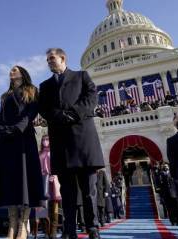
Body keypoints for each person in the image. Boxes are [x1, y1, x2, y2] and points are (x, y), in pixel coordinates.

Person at [39, 48, 105, 239]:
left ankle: (92, 227)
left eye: (52, 58)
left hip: (83, 139)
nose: (49, 62)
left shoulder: (81, 76)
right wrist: (58, 115)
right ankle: (69, 229)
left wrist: (73, 113)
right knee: (67, 192)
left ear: (63, 58)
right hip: (61, 142)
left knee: (89, 190)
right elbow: (43, 109)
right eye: (47, 60)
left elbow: (91, 98)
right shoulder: (45, 86)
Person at [0, 65, 45, 239]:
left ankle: (23, 225)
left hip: (24, 140)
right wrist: (2, 131)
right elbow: (0, 116)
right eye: (10, 70)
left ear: (23, 73)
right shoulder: (5, 96)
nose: (12, 71)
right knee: (10, 182)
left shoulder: (32, 90)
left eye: (15, 69)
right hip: (7, 142)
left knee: (24, 181)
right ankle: (12, 224)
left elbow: (31, 113)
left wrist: (18, 128)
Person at [38, 135, 61, 239]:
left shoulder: (53, 152)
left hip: (52, 181)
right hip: (43, 181)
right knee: (43, 207)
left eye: (47, 139)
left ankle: (53, 231)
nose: (45, 141)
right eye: (43, 140)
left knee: (54, 207)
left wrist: (54, 174)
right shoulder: (39, 154)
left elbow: (57, 165)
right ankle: (46, 231)